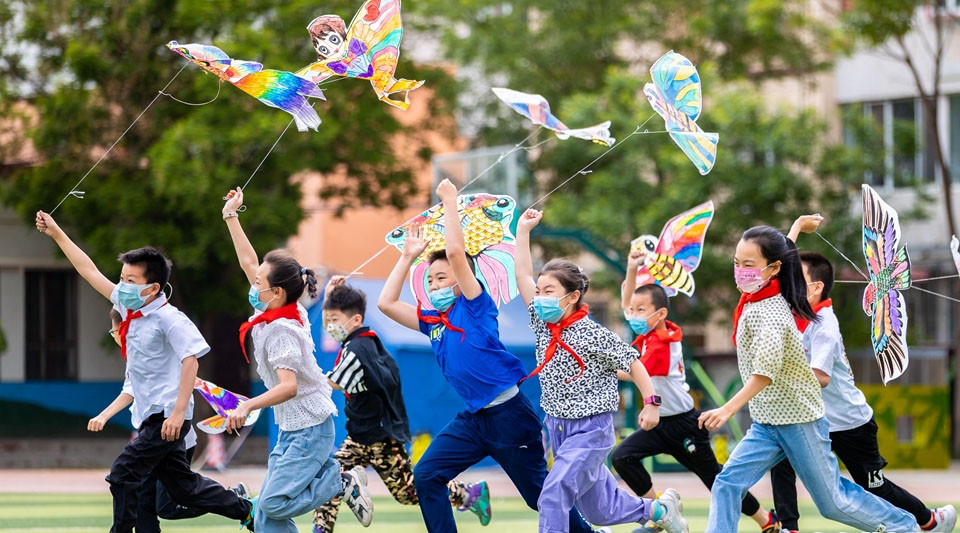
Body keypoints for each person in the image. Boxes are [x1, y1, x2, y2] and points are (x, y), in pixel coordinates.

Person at [377, 179, 600, 533]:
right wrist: (406, 257)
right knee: (426, 475)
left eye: (441, 278)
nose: (434, 286)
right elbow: (385, 303)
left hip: (510, 417)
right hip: (473, 420)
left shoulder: (476, 304)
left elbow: (454, 253)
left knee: (540, 498)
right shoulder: (434, 322)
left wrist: (450, 201)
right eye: (430, 281)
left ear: (464, 277)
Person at [35, 210, 254, 533]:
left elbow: (190, 360)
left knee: (123, 474)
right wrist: (56, 233)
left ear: (152, 288)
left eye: (130, 281)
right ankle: (245, 508)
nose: (121, 286)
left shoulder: (170, 318)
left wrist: (178, 414)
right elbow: (88, 269)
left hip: (165, 419)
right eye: (122, 279)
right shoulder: (128, 309)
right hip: (149, 418)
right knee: (174, 493)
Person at [698, 225, 920, 532]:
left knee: (832, 503)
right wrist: (797, 228)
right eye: (737, 263)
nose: (740, 271)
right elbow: (785, 256)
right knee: (726, 484)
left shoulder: (774, 313)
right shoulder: (758, 298)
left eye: (748, 265)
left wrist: (726, 410)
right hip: (768, 422)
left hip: (799, 420)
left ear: (772, 269)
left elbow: (765, 374)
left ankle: (904, 526)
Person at [768, 215, 957, 533]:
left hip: (850, 423)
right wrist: (797, 228)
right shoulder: (794, 313)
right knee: (781, 458)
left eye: (796, 279)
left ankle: (928, 520)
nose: (787, 284)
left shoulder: (823, 325)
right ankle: (789, 527)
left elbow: (821, 378)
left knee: (873, 485)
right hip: (813, 418)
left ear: (814, 288)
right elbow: (780, 266)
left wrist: (776, 380)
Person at [515, 208, 688, 533]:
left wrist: (652, 404)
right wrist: (523, 231)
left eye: (548, 291)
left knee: (552, 495)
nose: (539, 297)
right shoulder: (541, 323)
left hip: (591, 431)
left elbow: (633, 362)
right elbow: (523, 275)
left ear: (573, 296)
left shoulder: (593, 333)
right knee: (600, 510)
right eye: (539, 291)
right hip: (559, 429)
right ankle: (659, 509)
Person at [221, 188, 372, 532]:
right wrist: (231, 215)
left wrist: (247, 407)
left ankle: (340, 482)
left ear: (277, 292)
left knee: (272, 503)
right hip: (293, 429)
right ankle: (336, 483)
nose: (252, 283)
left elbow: (288, 387)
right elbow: (248, 261)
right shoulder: (281, 308)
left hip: (309, 430)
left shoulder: (283, 330)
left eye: (258, 282)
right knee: (265, 518)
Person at [610, 252, 779, 533]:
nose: (634, 315)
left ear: (661, 314)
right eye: (634, 310)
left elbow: (634, 374)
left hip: (685, 424)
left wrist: (598, 368)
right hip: (658, 424)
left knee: (716, 480)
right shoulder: (650, 333)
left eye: (641, 310)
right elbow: (627, 301)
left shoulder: (662, 344)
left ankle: (766, 520)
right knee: (622, 457)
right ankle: (660, 512)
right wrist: (630, 268)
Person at [312, 276, 491, 532]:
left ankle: (469, 495)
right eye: (327, 320)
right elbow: (342, 339)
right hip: (358, 437)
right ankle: (321, 528)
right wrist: (331, 294)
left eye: (335, 321)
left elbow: (335, 382)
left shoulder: (359, 348)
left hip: (382, 439)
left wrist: (300, 384)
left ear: (356, 321)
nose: (330, 326)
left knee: (409, 493)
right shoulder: (358, 340)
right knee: (331, 479)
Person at [89, 310, 251, 533]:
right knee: (169, 501)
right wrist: (104, 415)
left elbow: (184, 374)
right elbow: (130, 391)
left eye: (114, 331)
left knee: (133, 483)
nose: (115, 336)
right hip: (158, 433)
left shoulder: (156, 349)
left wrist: (105, 416)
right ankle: (237, 503)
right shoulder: (136, 355)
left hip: (168, 432)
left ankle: (239, 504)